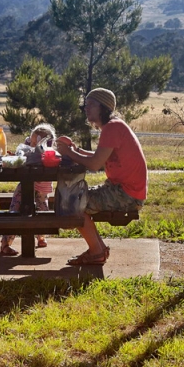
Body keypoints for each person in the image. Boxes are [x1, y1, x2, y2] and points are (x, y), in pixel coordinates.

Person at [55, 88, 147, 266]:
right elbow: (101, 156)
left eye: (91, 105)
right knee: (76, 198)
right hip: (122, 190)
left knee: (74, 201)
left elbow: (95, 164)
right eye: (86, 105)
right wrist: (76, 151)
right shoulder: (113, 127)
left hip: (126, 194)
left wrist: (68, 152)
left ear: (103, 107)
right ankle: (98, 249)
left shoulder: (113, 128)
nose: (86, 109)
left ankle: (97, 251)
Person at [0, 123, 57, 256]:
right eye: (31, 141)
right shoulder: (28, 149)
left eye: (34, 142)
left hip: (42, 188)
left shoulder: (49, 152)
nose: (31, 144)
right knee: (15, 210)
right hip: (24, 186)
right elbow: (23, 152)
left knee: (43, 211)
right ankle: (5, 244)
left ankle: (41, 236)